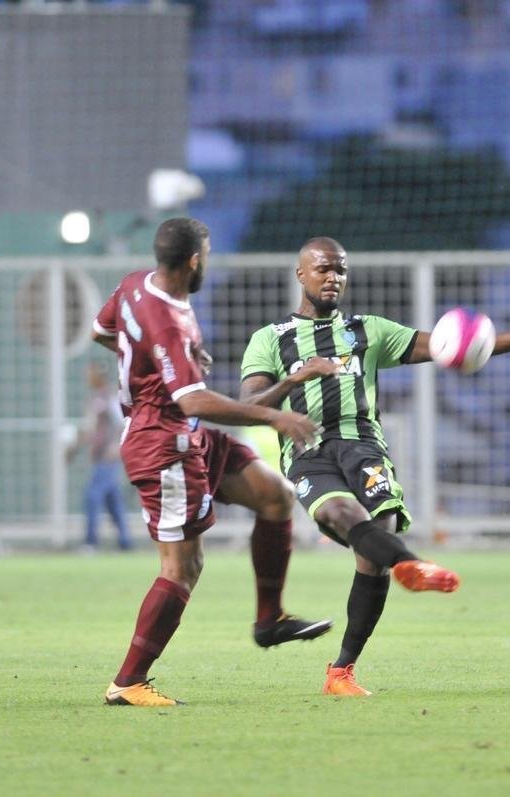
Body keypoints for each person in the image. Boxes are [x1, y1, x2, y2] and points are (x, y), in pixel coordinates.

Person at [239, 236, 510, 696]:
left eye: (340, 269)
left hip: (363, 446)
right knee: (342, 516)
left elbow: (445, 345)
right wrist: (297, 378)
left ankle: (341, 671)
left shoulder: (368, 331)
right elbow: (250, 403)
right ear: (301, 274)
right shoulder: (271, 339)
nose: (333, 277)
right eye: (322, 269)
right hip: (308, 449)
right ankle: (414, 566)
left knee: (382, 531)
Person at [91, 217, 330, 708]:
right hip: (164, 443)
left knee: (275, 495)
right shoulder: (171, 321)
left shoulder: (135, 284)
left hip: (187, 434)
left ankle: (270, 621)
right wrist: (272, 416)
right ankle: (127, 682)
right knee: (183, 567)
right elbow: (194, 401)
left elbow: (101, 331)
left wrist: (154, 360)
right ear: (196, 260)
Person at [72, 362, 132, 551]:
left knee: (92, 495)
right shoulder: (96, 398)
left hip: (107, 456)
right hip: (99, 455)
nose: (87, 378)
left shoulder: (109, 397)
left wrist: (116, 445)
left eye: (90, 374)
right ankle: (125, 542)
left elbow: (121, 423)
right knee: (113, 500)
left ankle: (91, 541)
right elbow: (91, 429)